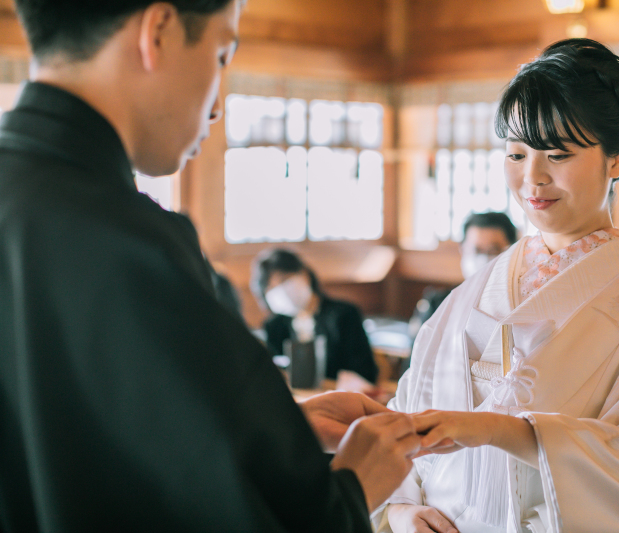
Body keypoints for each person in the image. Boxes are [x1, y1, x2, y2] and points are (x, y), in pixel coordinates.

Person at [0, 1, 420, 530]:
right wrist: (355, 485)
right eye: (221, 54)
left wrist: (272, 429)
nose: (217, 105)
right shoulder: (137, 245)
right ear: (159, 31)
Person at [375, 39, 619, 533]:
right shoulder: (483, 283)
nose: (532, 178)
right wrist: (401, 508)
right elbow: (410, 406)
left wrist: (503, 430)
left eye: (557, 153)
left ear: (618, 157)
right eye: (516, 154)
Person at [251, 248, 380, 385]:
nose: (280, 291)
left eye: (284, 280)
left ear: (304, 274)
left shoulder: (344, 315)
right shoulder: (274, 326)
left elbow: (366, 373)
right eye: (271, 287)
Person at [408, 212, 518, 340]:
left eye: (493, 251)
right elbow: (417, 356)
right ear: (463, 249)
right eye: (476, 250)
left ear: (512, 251)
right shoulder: (439, 305)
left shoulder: (519, 308)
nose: (483, 259)